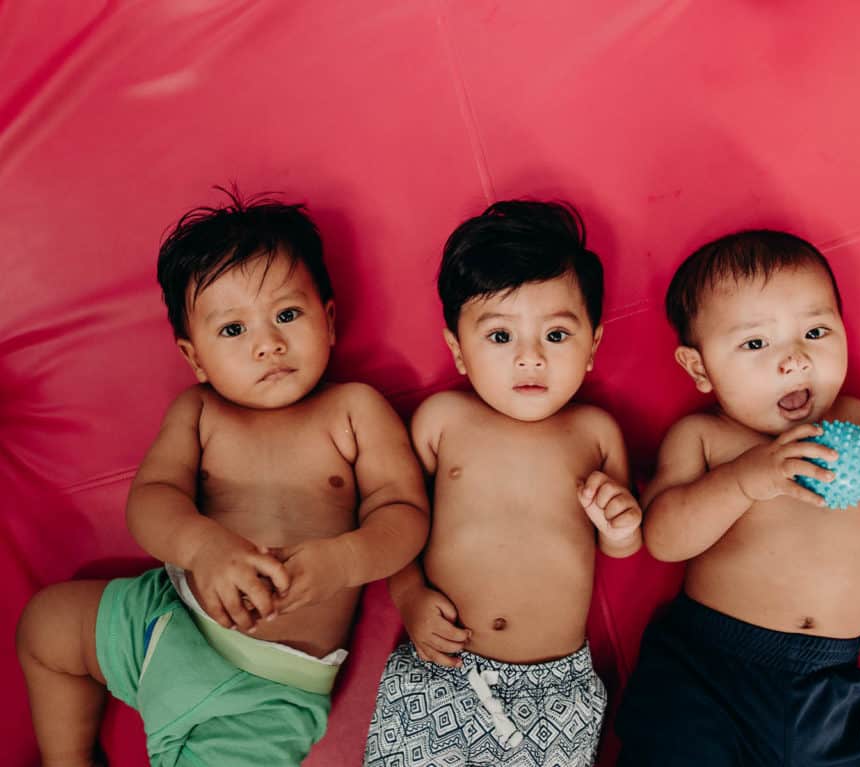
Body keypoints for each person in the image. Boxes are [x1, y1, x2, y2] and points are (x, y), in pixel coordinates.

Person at [16, 190, 430, 767]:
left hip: (261, 687)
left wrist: (343, 560)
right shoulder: (199, 412)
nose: (268, 344)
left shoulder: (354, 410)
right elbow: (152, 500)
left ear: (329, 320)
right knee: (47, 625)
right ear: (194, 357)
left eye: (288, 315)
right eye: (233, 330)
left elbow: (405, 514)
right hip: (164, 613)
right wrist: (204, 549)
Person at [615, 230, 860, 766]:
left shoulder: (856, 420)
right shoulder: (705, 439)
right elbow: (664, 539)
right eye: (755, 344)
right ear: (699, 368)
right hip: (713, 670)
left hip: (831, 683)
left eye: (815, 331)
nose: (794, 361)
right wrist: (747, 479)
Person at [363, 200, 643, 767]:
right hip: (441, 672)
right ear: (457, 350)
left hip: (556, 691)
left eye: (557, 336)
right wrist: (410, 595)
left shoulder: (595, 433)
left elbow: (624, 545)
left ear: (592, 347)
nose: (530, 358)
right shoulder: (443, 421)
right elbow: (393, 517)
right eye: (499, 337)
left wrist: (621, 524)